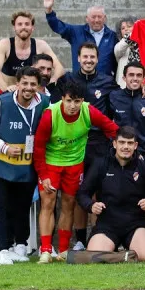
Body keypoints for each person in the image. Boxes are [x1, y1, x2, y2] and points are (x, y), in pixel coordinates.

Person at [33, 80, 119, 263]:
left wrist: (116, 150)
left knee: (69, 204)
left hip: (74, 164)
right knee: (47, 203)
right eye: (69, 101)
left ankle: (63, 250)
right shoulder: (51, 114)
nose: (73, 106)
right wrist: (44, 175)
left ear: (83, 101)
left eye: (77, 101)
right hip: (51, 163)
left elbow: (111, 129)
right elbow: (38, 147)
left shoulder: (88, 111)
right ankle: (46, 250)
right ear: (62, 99)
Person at [0, 67, 50, 265]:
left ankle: (20, 245)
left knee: (22, 206)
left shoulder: (45, 103)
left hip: (26, 164)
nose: (28, 88)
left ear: (38, 86)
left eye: (33, 84)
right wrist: (4, 147)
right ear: (17, 84)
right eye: (24, 83)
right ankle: (2, 249)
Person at [77, 127, 145, 262]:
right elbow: (82, 193)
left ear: (135, 145)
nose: (126, 147)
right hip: (107, 224)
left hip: (135, 224)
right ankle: (123, 256)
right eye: (122, 142)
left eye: (130, 143)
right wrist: (91, 205)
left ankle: (116, 256)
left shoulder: (144, 165)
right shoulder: (101, 163)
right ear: (115, 144)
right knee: (95, 256)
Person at [42, 0, 118, 77]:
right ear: (87, 18)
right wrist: (49, 11)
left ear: (104, 18)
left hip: (104, 84)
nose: (96, 20)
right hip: (79, 82)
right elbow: (57, 26)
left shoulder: (113, 36)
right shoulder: (76, 32)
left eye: (99, 17)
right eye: (93, 17)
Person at [0, 10, 65, 92]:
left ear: (32, 27)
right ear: (14, 28)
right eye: (20, 24)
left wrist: (52, 80)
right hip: (9, 91)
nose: (23, 27)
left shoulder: (40, 45)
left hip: (31, 94)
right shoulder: (5, 44)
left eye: (27, 24)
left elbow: (59, 67)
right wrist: (5, 88)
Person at [113, 18, 139, 87]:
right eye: (123, 28)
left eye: (129, 26)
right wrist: (131, 35)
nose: (126, 29)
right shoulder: (120, 45)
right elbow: (118, 50)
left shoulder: (142, 45)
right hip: (123, 86)